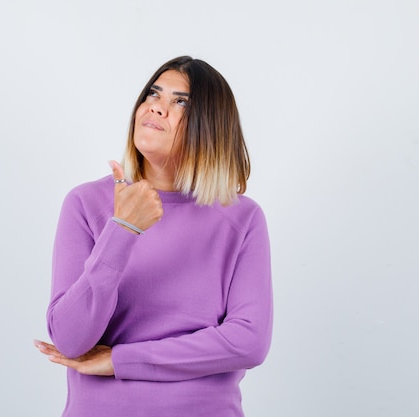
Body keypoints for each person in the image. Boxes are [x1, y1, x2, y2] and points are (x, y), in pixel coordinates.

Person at [34, 56, 273, 417]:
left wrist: (120, 359)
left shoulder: (242, 217)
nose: (157, 108)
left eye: (180, 102)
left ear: (211, 126)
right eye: (153, 94)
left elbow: (248, 342)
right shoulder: (86, 203)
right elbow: (70, 339)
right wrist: (123, 230)